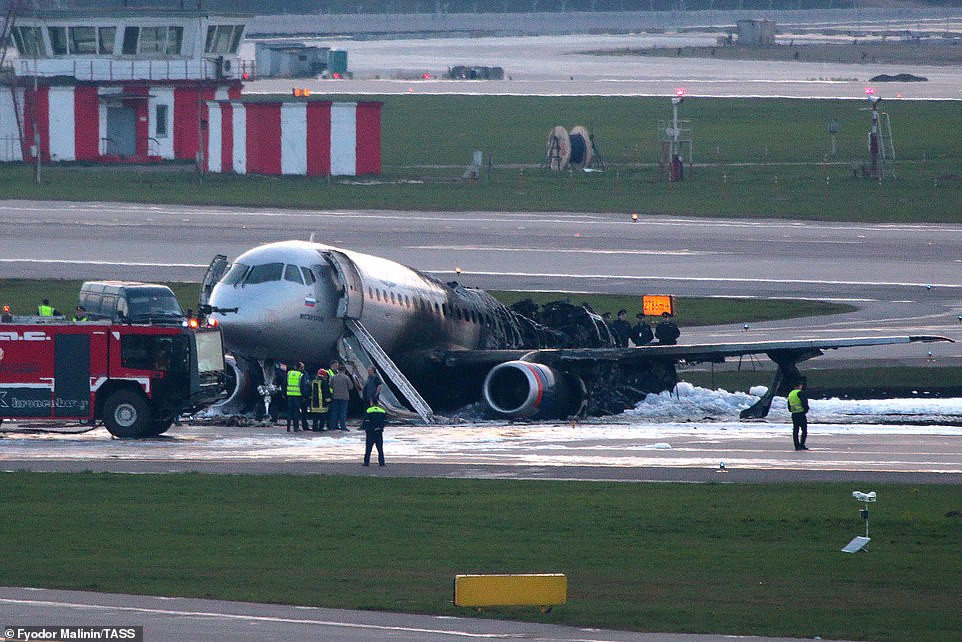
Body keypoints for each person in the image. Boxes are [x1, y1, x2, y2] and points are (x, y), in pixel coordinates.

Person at [361, 400, 387, 467]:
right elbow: (384, 421)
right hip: (379, 432)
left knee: (368, 449)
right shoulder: (382, 411)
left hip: (370, 432)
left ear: (372, 403)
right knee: (380, 449)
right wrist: (380, 428)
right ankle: (382, 463)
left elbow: (366, 421)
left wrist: (365, 428)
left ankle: (366, 462)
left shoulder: (369, 410)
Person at [328, 363, 352, 432]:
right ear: (344, 370)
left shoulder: (333, 377)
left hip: (335, 397)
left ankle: (333, 426)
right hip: (344, 397)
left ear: (338, 370)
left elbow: (330, 385)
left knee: (334, 412)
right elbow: (351, 387)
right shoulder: (346, 378)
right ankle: (343, 427)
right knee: (343, 412)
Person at [787, 379, 810, 451]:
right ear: (799, 386)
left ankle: (796, 446)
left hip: (794, 414)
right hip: (801, 414)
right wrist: (805, 410)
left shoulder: (791, 394)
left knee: (795, 430)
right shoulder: (800, 393)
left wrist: (792, 410)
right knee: (804, 430)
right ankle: (802, 444)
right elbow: (804, 403)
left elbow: (789, 405)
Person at [285, 361, 308, 432]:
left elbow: (285, 383)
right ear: (300, 368)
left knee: (289, 412)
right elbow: (303, 386)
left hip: (289, 395)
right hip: (297, 396)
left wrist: (284, 393)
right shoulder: (300, 375)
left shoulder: (289, 373)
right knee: (296, 412)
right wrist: (304, 396)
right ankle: (296, 427)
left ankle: (288, 427)